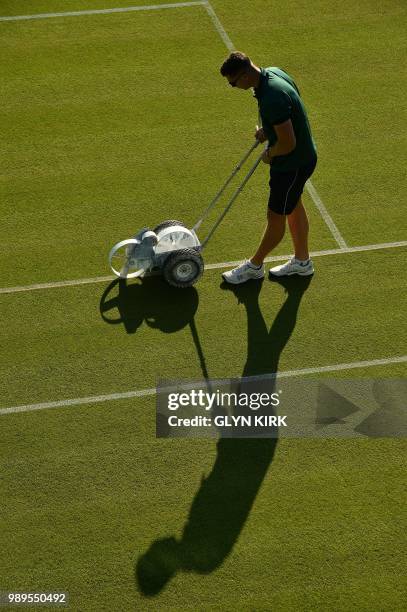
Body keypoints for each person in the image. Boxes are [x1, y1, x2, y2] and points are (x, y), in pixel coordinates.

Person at [220, 52, 317, 284]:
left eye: (233, 83)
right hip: (302, 158)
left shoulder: (271, 97)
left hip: (291, 164)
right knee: (293, 205)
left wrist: (270, 153)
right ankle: (302, 262)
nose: (233, 87)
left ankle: (254, 265)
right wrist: (269, 132)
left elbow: (288, 143)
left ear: (244, 76)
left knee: (276, 218)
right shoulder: (274, 73)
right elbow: (292, 108)